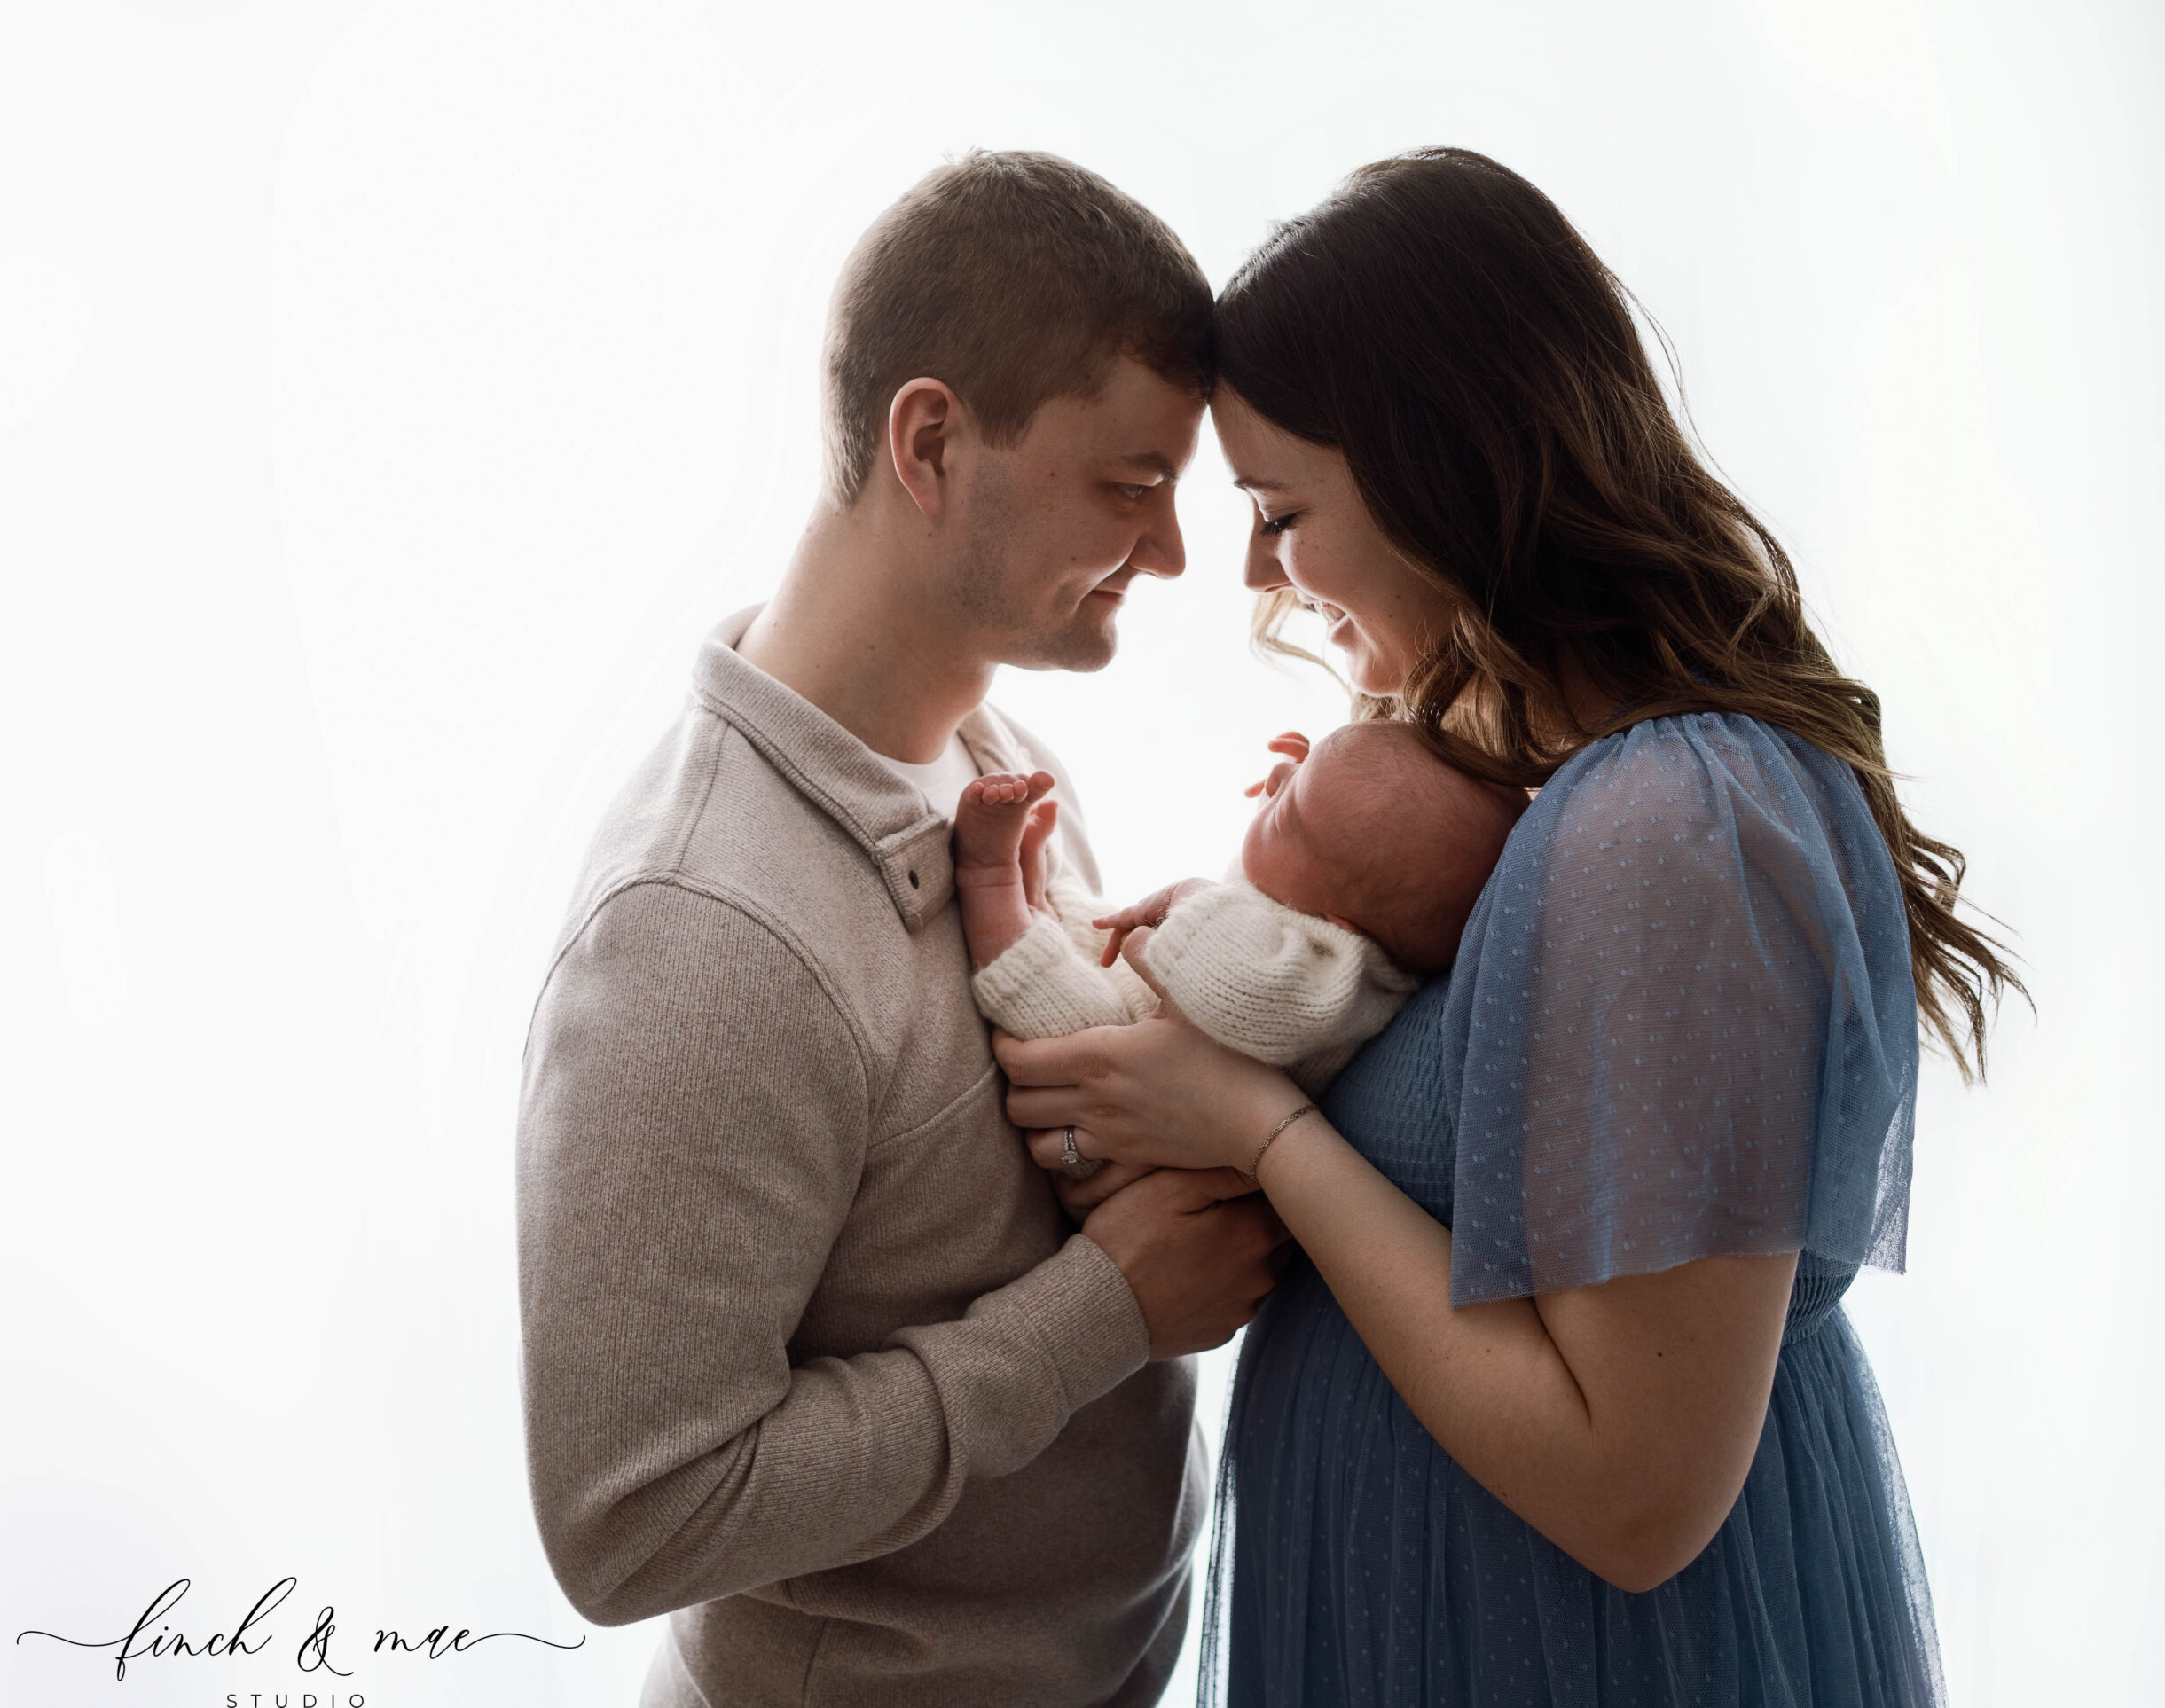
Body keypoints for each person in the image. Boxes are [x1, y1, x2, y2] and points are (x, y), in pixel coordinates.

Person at [993, 148, 2024, 1707]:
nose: (1261, 572)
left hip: (1577, 1645)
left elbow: (1639, 1496)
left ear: (1440, 469)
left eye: (1283, 511)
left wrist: (1267, 1135)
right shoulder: (1542, 794)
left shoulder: (1680, 824)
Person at [514, 151, 1287, 1708]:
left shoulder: (1004, 761)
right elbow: (628, 1520)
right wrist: (1100, 1317)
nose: (1176, 555)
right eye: (1131, 488)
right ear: (930, 442)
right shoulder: (700, 931)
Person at [948, 722, 1523, 1117]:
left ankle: (990, 882)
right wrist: (1313, 781)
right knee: (1098, 928)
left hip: (1129, 1121)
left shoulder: (1338, 979)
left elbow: (1238, 989)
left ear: (1338, 924)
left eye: (1287, 813)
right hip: (1154, 1047)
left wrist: (1191, 896)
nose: (1273, 782)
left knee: (1078, 1019)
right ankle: (1048, 907)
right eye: (1295, 770)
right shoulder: (1333, 911)